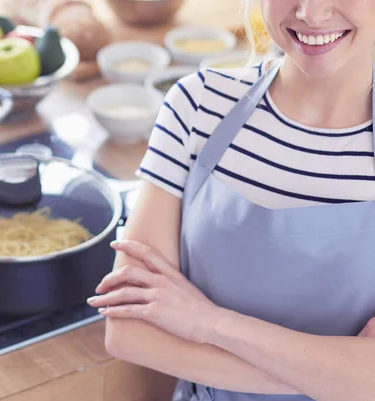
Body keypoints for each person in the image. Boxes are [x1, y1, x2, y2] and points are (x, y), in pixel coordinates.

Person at [86, 1, 375, 400]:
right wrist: (341, 377)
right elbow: (131, 333)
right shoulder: (199, 104)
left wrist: (208, 323)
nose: (311, 12)